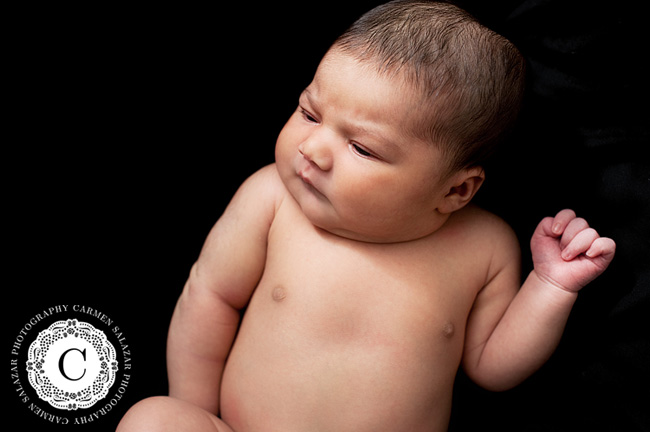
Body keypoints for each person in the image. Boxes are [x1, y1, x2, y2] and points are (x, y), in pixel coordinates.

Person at [117, 1, 615, 430]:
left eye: (361, 147)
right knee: (152, 419)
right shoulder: (271, 199)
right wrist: (195, 409)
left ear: (457, 189)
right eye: (310, 113)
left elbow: (493, 367)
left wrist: (551, 287)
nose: (312, 149)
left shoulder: (482, 246)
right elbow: (208, 297)